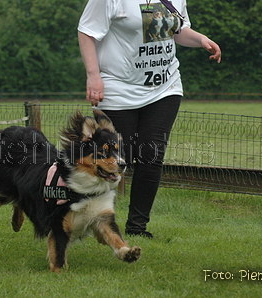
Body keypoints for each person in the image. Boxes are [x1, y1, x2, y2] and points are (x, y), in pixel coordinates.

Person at [78, 0, 221, 238]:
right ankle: (80, 213)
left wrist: (200, 39)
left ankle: (137, 228)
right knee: (120, 158)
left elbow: (177, 31)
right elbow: (86, 31)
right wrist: (93, 75)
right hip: (118, 88)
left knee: (152, 156)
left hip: (164, 87)